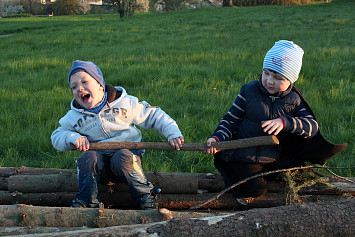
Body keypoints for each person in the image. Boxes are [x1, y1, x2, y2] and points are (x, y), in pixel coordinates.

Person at [204, 40, 347, 203]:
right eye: (266, 73)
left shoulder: (294, 99)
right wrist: (217, 139)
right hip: (242, 155)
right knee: (255, 189)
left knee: (300, 172)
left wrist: (286, 122)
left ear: (291, 80)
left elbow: (312, 127)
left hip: (272, 155)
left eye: (278, 77)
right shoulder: (249, 91)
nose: (270, 81)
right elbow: (230, 120)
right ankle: (238, 188)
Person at [51, 60, 184, 209]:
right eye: (74, 87)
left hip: (126, 160)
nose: (79, 89)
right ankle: (88, 201)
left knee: (122, 158)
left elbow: (153, 114)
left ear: (100, 85)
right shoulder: (74, 116)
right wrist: (73, 138)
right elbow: (57, 135)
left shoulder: (125, 103)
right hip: (99, 167)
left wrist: (172, 133)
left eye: (84, 82)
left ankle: (146, 196)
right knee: (88, 158)